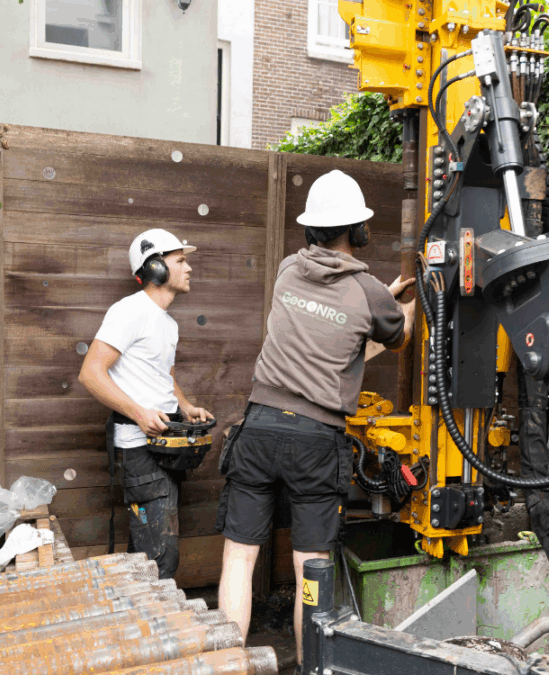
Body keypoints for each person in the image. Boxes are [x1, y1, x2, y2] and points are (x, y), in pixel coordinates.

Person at [216, 170, 415, 660]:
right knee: (311, 566)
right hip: (314, 439)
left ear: (310, 230)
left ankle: (222, 664)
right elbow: (396, 336)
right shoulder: (370, 293)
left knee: (240, 557)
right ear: (360, 231)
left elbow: (327, 332)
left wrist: (377, 297)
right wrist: (402, 304)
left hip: (258, 427)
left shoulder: (287, 269)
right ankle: (309, 668)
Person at [79, 228, 214, 580]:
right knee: (159, 559)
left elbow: (163, 377)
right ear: (155, 267)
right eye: (180, 261)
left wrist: (185, 406)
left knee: (148, 551)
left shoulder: (167, 324)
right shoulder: (129, 311)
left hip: (165, 445)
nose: (189, 268)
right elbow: (91, 373)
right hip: (140, 449)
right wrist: (139, 413)